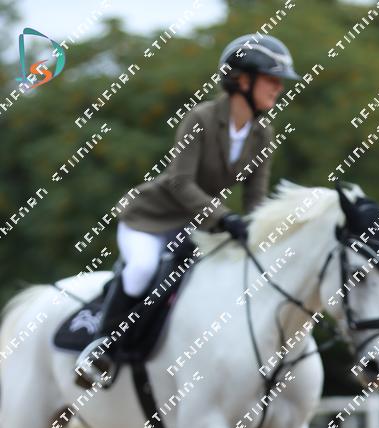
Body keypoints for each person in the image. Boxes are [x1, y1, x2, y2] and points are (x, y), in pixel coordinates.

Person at [76, 34, 300, 386]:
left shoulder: (263, 134)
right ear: (242, 80)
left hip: (196, 227)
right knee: (142, 269)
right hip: (150, 219)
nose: (279, 88)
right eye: (272, 79)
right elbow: (180, 183)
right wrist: (224, 217)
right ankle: (101, 346)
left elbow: (255, 198)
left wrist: (261, 234)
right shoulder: (201, 118)